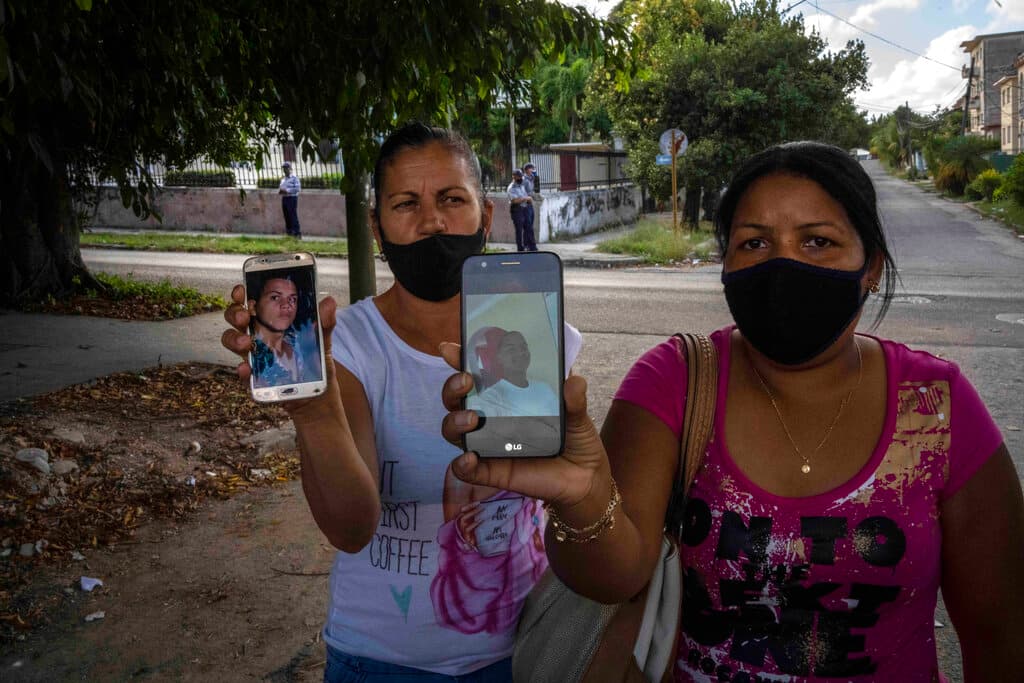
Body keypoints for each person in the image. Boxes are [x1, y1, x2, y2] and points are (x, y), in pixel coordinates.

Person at [441, 141, 1024, 680]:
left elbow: (1002, 637)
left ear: (869, 266)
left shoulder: (936, 407)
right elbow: (612, 577)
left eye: (817, 241)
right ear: (725, 265)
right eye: (754, 243)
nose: (783, 264)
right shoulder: (672, 381)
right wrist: (580, 498)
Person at [222, 122, 582, 682]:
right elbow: (350, 527)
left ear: (485, 217)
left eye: (452, 199)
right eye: (406, 204)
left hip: (529, 650)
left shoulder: (536, 331)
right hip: (382, 663)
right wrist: (312, 411)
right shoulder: (350, 346)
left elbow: (566, 502)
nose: (432, 221)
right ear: (377, 226)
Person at [248, 275, 321, 388]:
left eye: (292, 299)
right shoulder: (254, 357)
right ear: (252, 307)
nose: (286, 305)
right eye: (275, 297)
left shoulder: (295, 340)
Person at [468, 328, 559, 417]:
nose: (520, 353)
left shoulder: (545, 389)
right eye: (511, 349)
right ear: (499, 358)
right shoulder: (492, 398)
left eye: (523, 347)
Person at [506, 168, 536, 252]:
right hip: (516, 210)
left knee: (528, 228)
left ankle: (529, 246)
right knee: (519, 230)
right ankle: (520, 248)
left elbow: (526, 194)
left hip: (524, 209)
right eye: (518, 176)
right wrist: (526, 198)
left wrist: (528, 199)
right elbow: (514, 200)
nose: (520, 178)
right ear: (514, 177)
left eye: (521, 176)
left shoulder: (521, 186)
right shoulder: (511, 188)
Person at [279, 161, 302, 239]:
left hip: (292, 198)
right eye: (284, 168)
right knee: (286, 216)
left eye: (286, 168)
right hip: (284, 198)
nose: (285, 170)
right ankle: (289, 233)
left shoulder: (294, 178)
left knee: (292, 215)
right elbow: (282, 188)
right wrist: (281, 191)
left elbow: (298, 189)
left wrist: (287, 191)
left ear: (290, 168)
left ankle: (297, 233)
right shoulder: (283, 179)